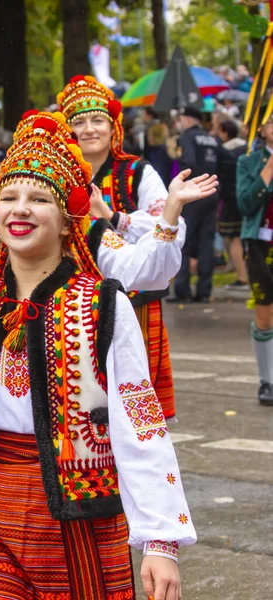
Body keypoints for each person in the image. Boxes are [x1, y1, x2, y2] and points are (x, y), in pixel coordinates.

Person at [0, 70, 201, 600]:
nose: (20, 208)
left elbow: (140, 420)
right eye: (9, 196)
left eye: (38, 199)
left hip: (80, 516)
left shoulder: (103, 304)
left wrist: (160, 540)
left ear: (70, 218)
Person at [57, 74, 188, 421]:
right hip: (72, 301)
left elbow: (170, 225)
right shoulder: (59, 174)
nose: (88, 129)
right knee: (78, 399)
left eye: (97, 120)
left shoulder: (136, 172)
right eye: (79, 122)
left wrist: (115, 217)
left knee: (134, 403)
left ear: (114, 126)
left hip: (134, 300)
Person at [237, 115, 273, 406]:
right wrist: (269, 170)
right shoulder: (248, 162)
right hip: (261, 244)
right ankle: (268, 381)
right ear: (261, 129)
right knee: (265, 313)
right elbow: (245, 203)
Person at [168, 106, 220, 303]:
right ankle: (204, 291)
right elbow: (223, 162)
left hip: (194, 192)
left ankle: (183, 291)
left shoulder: (188, 137)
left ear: (188, 120)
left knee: (184, 240)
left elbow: (188, 162)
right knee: (206, 242)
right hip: (212, 192)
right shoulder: (211, 138)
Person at [217, 119, 248, 289]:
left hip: (230, 198)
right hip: (246, 196)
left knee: (233, 237)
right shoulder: (247, 147)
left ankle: (242, 276)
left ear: (225, 132)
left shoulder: (223, 151)